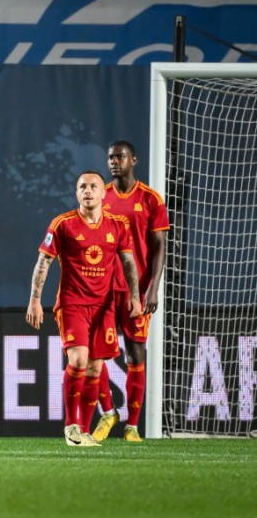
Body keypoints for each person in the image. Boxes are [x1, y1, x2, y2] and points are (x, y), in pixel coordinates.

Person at [26, 171, 142, 447]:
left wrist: (135, 296)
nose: (87, 191)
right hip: (72, 304)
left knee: (94, 369)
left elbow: (128, 263)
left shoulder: (118, 225)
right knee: (78, 361)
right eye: (82, 187)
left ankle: (84, 430)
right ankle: (70, 428)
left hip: (104, 308)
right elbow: (44, 262)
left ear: (104, 193)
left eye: (93, 186)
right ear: (76, 193)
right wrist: (34, 299)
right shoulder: (62, 224)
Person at [93, 141, 169, 443]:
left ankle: (132, 427)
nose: (114, 161)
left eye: (120, 156)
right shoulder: (101, 196)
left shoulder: (150, 199)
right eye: (110, 157)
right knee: (94, 356)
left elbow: (160, 247)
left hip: (136, 291)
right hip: (104, 290)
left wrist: (152, 288)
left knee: (135, 354)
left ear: (133, 160)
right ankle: (108, 412)